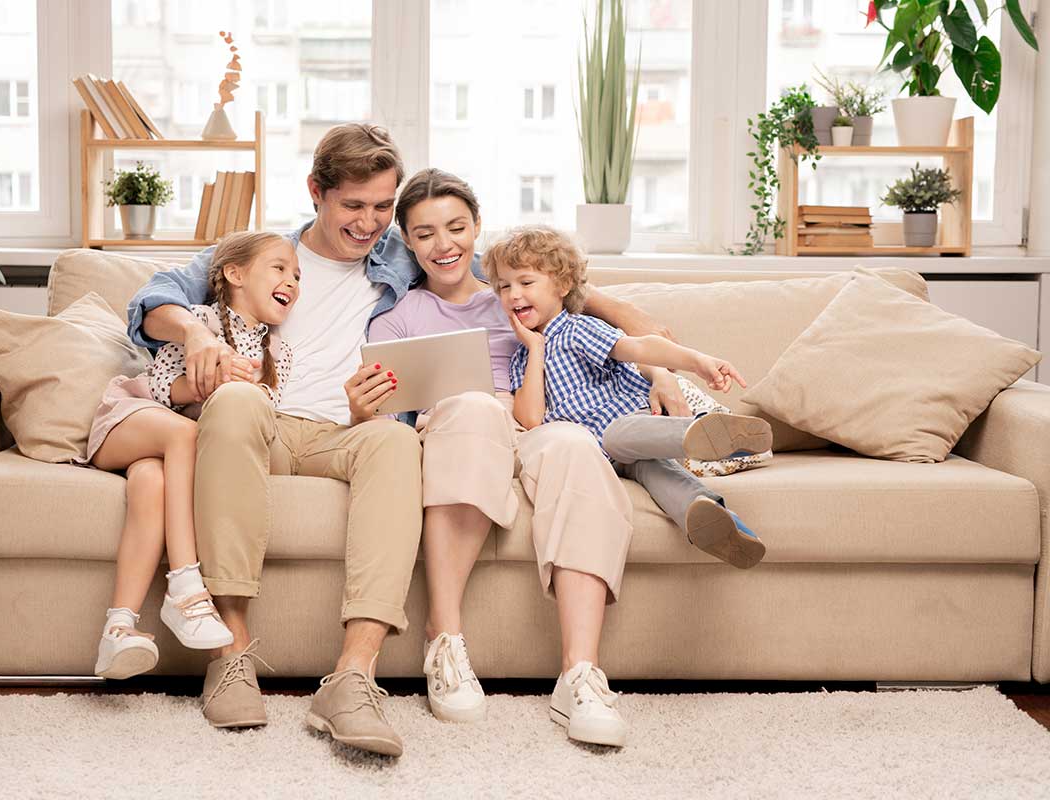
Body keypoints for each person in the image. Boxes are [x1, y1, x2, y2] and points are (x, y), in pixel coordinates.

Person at [126, 124, 682, 757]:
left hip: (352, 430)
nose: (369, 224)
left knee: (397, 444)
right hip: (266, 418)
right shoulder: (266, 252)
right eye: (353, 206)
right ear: (316, 192)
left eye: (382, 207)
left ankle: (354, 676)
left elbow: (568, 291)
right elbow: (156, 296)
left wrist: (659, 367)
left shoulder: (407, 255)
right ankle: (231, 655)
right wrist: (198, 338)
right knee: (235, 400)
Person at [368, 169, 691, 747]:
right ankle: (444, 642)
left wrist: (662, 372)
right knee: (473, 406)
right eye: (424, 234)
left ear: (477, 229)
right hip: (463, 425)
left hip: (540, 421)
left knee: (574, 443)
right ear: (408, 244)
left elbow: (624, 331)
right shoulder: (401, 316)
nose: (443, 244)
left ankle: (581, 675)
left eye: (457, 227)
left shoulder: (520, 289)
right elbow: (389, 406)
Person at [489, 225, 772, 572]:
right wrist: (535, 349)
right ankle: (721, 523)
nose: (513, 294)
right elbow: (531, 419)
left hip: (626, 424)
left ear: (562, 286)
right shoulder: (522, 358)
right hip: (607, 456)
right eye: (504, 286)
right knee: (657, 474)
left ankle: (698, 433)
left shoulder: (577, 329)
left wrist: (697, 361)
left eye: (525, 282)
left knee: (619, 437)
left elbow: (639, 347)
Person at [86, 231, 299, 682]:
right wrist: (210, 378)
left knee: (151, 484)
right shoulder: (198, 320)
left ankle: (117, 630)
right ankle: (185, 588)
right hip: (133, 419)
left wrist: (242, 390)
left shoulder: (277, 351)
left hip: (167, 453)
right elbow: (163, 388)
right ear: (234, 273)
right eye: (280, 268)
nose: (292, 282)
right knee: (182, 433)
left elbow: (257, 421)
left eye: (297, 276)